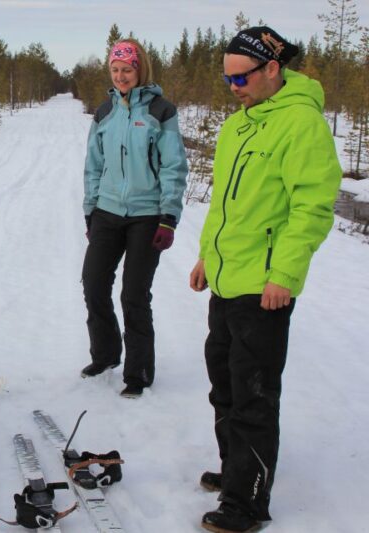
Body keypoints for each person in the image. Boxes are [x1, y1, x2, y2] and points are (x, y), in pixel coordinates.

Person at [189, 26, 342, 532]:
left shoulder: (301, 123)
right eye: (227, 80)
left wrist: (285, 274)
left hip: (266, 288)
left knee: (254, 394)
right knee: (224, 385)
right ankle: (237, 471)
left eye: (241, 78)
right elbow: (224, 207)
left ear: (272, 68)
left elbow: (312, 208)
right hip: (227, 279)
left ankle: (247, 502)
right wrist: (206, 258)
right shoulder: (239, 125)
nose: (233, 88)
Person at [81, 39, 188, 397]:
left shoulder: (161, 111)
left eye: (127, 69)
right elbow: (93, 166)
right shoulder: (104, 112)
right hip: (108, 212)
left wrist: (168, 217)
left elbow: (174, 166)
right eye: (115, 70)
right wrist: (90, 210)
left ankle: (138, 372)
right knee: (94, 284)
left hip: (147, 216)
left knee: (134, 295)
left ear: (140, 70)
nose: (121, 76)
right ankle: (106, 354)